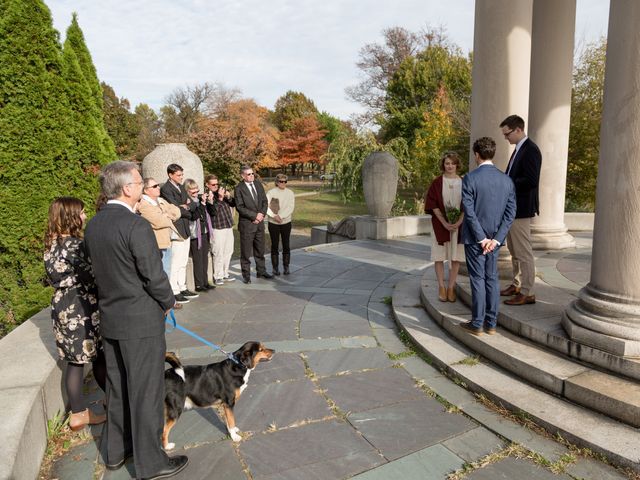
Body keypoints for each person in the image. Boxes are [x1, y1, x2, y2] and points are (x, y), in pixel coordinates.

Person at [84, 161, 188, 479]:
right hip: (140, 321)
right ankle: (151, 461)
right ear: (127, 188)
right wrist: (168, 302)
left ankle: (116, 451)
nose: (143, 186)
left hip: (112, 319)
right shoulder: (136, 225)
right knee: (145, 392)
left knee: (117, 387)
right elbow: (153, 275)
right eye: (140, 182)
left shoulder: (94, 224)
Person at [44, 197, 106, 431]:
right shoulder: (74, 245)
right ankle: (102, 405)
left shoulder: (52, 243)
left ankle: (80, 410)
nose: (84, 216)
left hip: (62, 305)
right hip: (81, 307)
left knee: (75, 361)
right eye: (81, 213)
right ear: (70, 217)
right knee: (97, 355)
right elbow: (92, 277)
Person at [460, 137, 516, 336]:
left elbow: (469, 211)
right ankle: (491, 324)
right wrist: (496, 239)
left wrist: (481, 238)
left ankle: (477, 323)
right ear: (493, 154)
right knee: (492, 278)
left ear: (476, 155)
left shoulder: (469, 178)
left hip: (476, 240)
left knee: (477, 278)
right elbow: (510, 214)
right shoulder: (506, 180)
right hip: (494, 241)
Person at [499, 114, 542, 306]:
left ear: (518, 130)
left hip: (522, 209)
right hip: (512, 209)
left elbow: (531, 181)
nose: (505, 138)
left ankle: (528, 292)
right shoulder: (519, 149)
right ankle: (516, 285)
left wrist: (507, 182)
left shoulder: (531, 150)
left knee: (524, 253)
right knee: (514, 251)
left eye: (507, 134)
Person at [424, 152, 465, 302]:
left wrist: (459, 222)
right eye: (447, 163)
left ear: (457, 165)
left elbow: (468, 205)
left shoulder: (463, 182)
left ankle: (451, 287)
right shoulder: (437, 182)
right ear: (443, 165)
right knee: (439, 256)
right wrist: (444, 223)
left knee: (456, 258)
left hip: (458, 226)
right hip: (440, 224)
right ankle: (441, 286)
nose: (450, 166)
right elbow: (433, 204)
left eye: (452, 163)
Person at [160, 164, 199, 304]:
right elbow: (175, 208)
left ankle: (182, 287)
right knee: (175, 262)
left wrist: (186, 206)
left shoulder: (181, 186)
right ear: (170, 175)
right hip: (176, 229)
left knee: (183, 261)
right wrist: (184, 206)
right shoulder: (166, 189)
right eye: (178, 175)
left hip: (185, 227)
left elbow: (193, 204)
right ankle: (174, 290)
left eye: (182, 175)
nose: (181, 177)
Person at [234, 165, 273, 283]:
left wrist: (261, 215)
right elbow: (239, 207)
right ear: (242, 176)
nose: (251, 176)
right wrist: (254, 216)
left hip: (259, 223)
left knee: (260, 250)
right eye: (248, 174)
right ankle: (246, 276)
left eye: (252, 174)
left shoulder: (258, 184)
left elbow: (264, 202)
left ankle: (261, 271)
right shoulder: (239, 188)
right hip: (247, 225)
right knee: (246, 252)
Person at [138, 178, 181, 277]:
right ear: (145, 190)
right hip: (157, 244)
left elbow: (177, 211)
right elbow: (159, 222)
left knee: (167, 272)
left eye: (158, 185)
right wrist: (167, 215)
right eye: (154, 186)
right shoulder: (144, 204)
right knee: (161, 274)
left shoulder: (160, 200)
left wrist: (166, 214)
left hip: (166, 242)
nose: (158, 187)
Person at [184, 178, 215, 292]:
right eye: (193, 190)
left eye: (197, 189)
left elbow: (213, 213)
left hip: (205, 231)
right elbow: (195, 215)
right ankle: (199, 284)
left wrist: (210, 202)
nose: (196, 192)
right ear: (187, 191)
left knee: (205, 259)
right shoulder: (188, 202)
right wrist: (202, 203)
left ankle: (205, 281)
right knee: (198, 260)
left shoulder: (199, 199)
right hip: (195, 233)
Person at [205, 174, 236, 285]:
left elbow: (234, 203)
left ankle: (225, 273)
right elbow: (213, 212)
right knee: (218, 252)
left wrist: (228, 197)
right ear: (207, 185)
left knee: (228, 251)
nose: (216, 186)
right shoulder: (207, 196)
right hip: (217, 228)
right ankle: (218, 276)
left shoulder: (221, 192)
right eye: (213, 184)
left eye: (217, 184)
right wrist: (220, 198)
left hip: (228, 225)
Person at [266, 173, 295, 275]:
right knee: (274, 245)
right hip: (273, 223)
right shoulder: (271, 193)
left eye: (285, 182)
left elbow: (290, 207)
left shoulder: (290, 193)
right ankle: (275, 268)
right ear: (277, 182)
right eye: (281, 181)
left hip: (286, 222)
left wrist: (281, 217)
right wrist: (274, 216)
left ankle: (286, 267)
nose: (283, 183)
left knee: (286, 245)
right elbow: (266, 206)